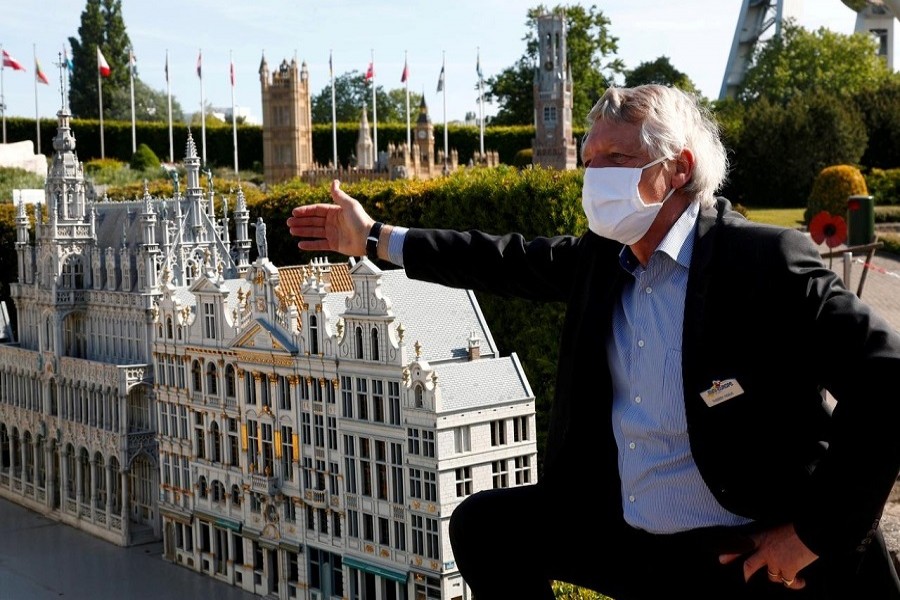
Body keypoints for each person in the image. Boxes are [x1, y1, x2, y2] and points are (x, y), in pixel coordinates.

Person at [286, 84, 900, 599]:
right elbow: (502, 260)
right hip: (635, 536)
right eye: (588, 160)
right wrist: (373, 238)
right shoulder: (604, 260)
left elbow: (888, 377)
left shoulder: (761, 261)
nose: (593, 175)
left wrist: (811, 536)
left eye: (615, 158)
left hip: (745, 550)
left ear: (678, 167)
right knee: (489, 527)